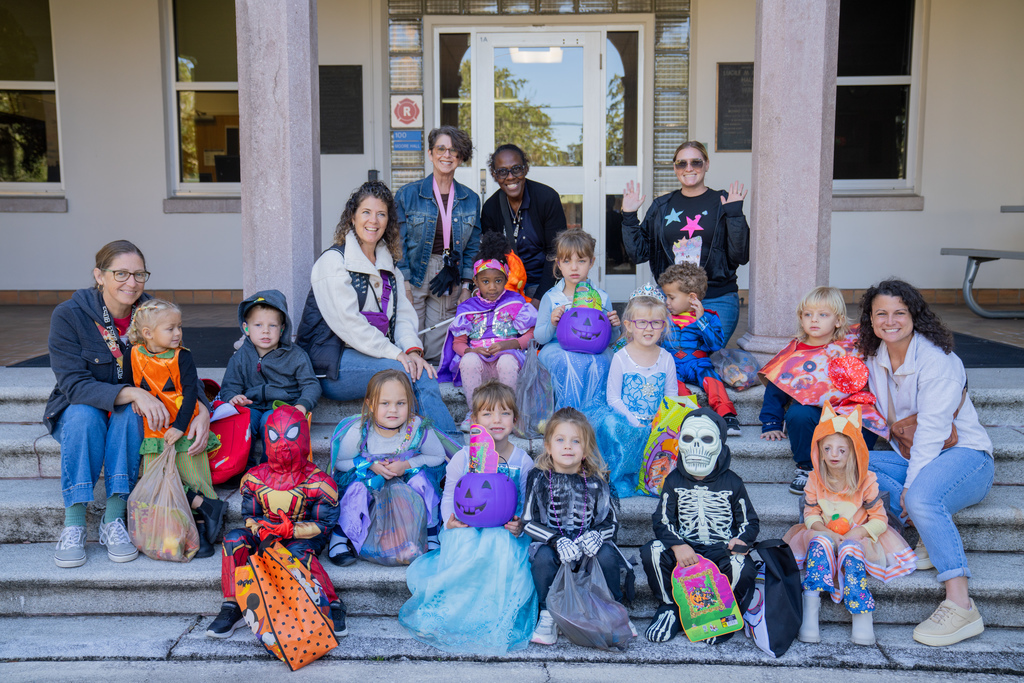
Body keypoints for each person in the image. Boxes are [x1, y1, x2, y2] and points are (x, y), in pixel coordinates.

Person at [46, 240, 210, 569]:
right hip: (82, 406)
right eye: (121, 273)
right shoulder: (70, 314)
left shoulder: (153, 312)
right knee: (82, 417)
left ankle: (113, 520)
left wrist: (202, 410)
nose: (131, 283)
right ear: (99, 275)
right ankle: (75, 523)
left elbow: (181, 368)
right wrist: (135, 392)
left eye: (139, 274)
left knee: (130, 418)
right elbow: (74, 385)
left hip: (133, 414)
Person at [857, 279, 993, 647]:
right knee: (854, 466)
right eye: (880, 313)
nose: (890, 320)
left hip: (966, 458)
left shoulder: (939, 361)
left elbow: (932, 432)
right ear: (869, 319)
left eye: (900, 312)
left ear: (915, 316)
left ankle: (961, 604)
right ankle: (927, 535)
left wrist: (912, 488)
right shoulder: (872, 358)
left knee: (921, 497)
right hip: (913, 456)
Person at [296, 180, 461, 443]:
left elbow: (405, 316)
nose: (373, 220)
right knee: (408, 374)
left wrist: (412, 351)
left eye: (381, 214)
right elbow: (351, 327)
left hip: (376, 356)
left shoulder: (389, 267)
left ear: (388, 222)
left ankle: (433, 448)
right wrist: (397, 354)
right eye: (366, 212)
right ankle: (454, 451)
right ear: (352, 217)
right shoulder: (332, 263)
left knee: (421, 370)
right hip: (331, 366)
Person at [399, 381, 537, 655]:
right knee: (465, 541)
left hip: (504, 528)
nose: (496, 420)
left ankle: (490, 616)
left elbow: (526, 501)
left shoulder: (523, 461)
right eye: (487, 414)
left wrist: (520, 524)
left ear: (515, 420)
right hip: (465, 521)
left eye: (504, 413)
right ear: (473, 421)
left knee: (498, 545)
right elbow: (450, 494)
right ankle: (449, 613)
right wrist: (449, 520)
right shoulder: (463, 458)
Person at [206, 405, 346, 640]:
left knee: (297, 552)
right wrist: (261, 531)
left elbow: (324, 524)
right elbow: (250, 515)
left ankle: (331, 603)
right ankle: (232, 605)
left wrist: (292, 530)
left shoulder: (320, 482)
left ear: (302, 436)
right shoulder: (253, 478)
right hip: (265, 533)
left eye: (290, 435)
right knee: (233, 540)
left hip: (302, 536)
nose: (282, 444)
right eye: (275, 436)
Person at [784, 404, 917, 647]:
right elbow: (811, 513)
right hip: (824, 535)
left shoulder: (866, 481)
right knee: (819, 541)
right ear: (820, 451)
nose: (834, 454)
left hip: (857, 537)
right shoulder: (815, 479)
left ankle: (861, 613)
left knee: (851, 549)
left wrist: (858, 532)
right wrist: (823, 531)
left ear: (853, 452)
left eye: (842, 450)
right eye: (828, 448)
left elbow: (879, 519)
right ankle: (810, 606)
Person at [640, 408, 759, 644]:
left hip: (720, 549)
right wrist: (678, 546)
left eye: (705, 439)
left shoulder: (733, 482)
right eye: (688, 439)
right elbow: (662, 519)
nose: (696, 447)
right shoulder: (673, 480)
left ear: (720, 445)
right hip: (686, 551)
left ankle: (724, 613)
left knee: (741, 563)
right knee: (652, 550)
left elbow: (749, 521)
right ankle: (669, 608)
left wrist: (741, 541)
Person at [522, 407, 634, 646]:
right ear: (549, 446)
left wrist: (595, 536)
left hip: (588, 550)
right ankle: (547, 613)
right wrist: (555, 540)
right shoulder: (538, 477)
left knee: (607, 554)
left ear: (585, 449)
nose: (567, 447)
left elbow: (611, 522)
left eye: (576, 441)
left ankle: (614, 608)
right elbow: (528, 521)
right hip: (553, 547)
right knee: (542, 558)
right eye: (560, 440)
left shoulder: (598, 480)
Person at [621, 140, 750, 344]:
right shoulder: (661, 206)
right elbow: (638, 253)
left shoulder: (723, 202)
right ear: (675, 168)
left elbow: (740, 256)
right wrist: (629, 216)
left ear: (706, 164)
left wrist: (735, 216)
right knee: (672, 358)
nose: (688, 168)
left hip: (717, 298)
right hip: (671, 300)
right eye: (682, 163)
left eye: (696, 162)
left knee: (708, 356)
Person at [759, 286, 883, 495]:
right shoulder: (794, 352)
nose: (814, 320)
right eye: (808, 314)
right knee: (798, 415)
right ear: (801, 318)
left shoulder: (853, 343)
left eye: (822, 315)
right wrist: (771, 422)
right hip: (813, 411)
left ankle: (854, 465)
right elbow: (776, 387)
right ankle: (807, 468)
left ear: (838, 320)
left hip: (849, 405)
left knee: (868, 421)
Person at [125, 299, 224, 558]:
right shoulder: (133, 355)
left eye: (179, 327)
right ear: (148, 333)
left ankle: (200, 529)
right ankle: (199, 513)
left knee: (191, 475)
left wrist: (180, 427)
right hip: (154, 430)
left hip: (183, 425)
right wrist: (136, 397)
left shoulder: (183, 356)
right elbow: (127, 383)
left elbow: (192, 391)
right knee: (161, 480)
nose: (178, 333)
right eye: (171, 328)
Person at [327, 370, 454, 565]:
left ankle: (430, 533)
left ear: (410, 403)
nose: (393, 410)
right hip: (371, 480)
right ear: (370, 404)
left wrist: (407, 465)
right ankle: (340, 537)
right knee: (356, 489)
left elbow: (437, 456)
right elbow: (340, 463)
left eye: (400, 403)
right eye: (385, 403)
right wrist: (370, 465)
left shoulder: (417, 427)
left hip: (406, 482)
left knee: (424, 482)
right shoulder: (360, 430)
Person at [395, 126, 481, 362]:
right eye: (441, 149)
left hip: (448, 274)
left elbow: (473, 246)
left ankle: (431, 388)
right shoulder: (407, 195)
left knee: (436, 347)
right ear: (430, 154)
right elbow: (397, 242)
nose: (447, 155)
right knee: (410, 338)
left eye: (454, 150)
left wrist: (466, 286)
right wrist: (404, 284)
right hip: (413, 273)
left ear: (461, 157)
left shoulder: (470, 199)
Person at [438, 232, 537, 432]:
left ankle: (509, 413)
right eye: (486, 282)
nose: (492, 287)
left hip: (508, 356)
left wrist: (509, 345)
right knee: (468, 362)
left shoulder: (515, 302)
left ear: (506, 278)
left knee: (508, 362)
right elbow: (458, 343)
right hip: (479, 360)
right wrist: (471, 352)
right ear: (475, 280)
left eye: (498, 281)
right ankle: (475, 412)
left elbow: (530, 335)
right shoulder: (467, 307)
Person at [591, 292, 677, 498]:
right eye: (642, 323)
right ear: (629, 326)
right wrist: (634, 422)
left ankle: (653, 477)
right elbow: (613, 398)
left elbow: (671, 397)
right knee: (610, 425)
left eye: (656, 323)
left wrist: (660, 424)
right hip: (627, 422)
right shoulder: (621, 358)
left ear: (663, 326)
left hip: (656, 425)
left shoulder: (666, 359)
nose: (649, 328)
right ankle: (622, 477)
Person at [220, 289, 320, 464]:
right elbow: (229, 385)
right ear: (246, 328)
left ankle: (270, 467)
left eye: (272, 326)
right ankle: (243, 467)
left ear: (282, 329)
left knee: (271, 422)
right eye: (258, 325)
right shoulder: (240, 357)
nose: (265, 331)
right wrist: (233, 397)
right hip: (252, 405)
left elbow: (311, 385)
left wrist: (302, 406)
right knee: (243, 421)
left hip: (283, 407)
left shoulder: (296, 355)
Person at [534, 229, 621, 410]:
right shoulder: (551, 297)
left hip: (594, 350)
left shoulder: (601, 298)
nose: (574, 267)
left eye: (581, 261)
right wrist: (551, 324)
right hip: (556, 348)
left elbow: (610, 340)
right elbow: (540, 338)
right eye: (567, 261)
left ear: (591, 262)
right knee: (569, 361)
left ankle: (595, 415)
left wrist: (613, 327)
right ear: (558, 263)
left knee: (604, 361)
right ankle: (567, 414)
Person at [658, 263, 740, 435]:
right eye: (666, 297)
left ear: (692, 297)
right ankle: (693, 415)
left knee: (712, 380)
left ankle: (727, 415)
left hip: (698, 363)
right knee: (673, 385)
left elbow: (716, 345)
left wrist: (701, 321)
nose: (667, 302)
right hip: (673, 364)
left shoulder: (709, 317)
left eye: (671, 297)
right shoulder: (662, 318)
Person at [480, 144, 568, 304]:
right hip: (508, 286)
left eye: (516, 169)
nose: (510, 177)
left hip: (545, 283)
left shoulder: (547, 199)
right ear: (494, 175)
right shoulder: (490, 208)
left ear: (525, 169)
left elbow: (557, 253)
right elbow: (492, 259)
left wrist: (539, 299)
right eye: (502, 171)